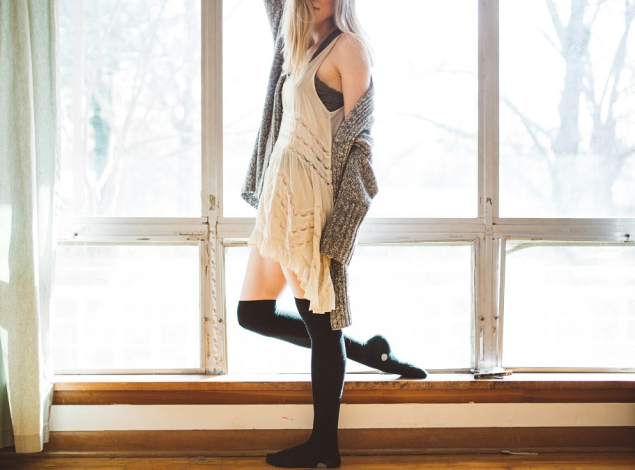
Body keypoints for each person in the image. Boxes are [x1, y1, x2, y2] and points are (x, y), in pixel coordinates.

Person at [237, 0, 428, 467]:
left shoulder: (349, 48)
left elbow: (361, 140)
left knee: (323, 330)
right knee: (253, 314)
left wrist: (341, 223)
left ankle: (325, 446)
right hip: (277, 198)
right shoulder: (294, 43)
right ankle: (372, 354)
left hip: (308, 202)